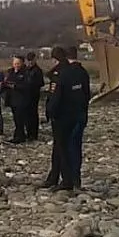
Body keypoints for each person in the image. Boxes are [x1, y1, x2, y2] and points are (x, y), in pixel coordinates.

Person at [45, 44, 89, 190]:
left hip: (63, 116)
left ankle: (66, 180)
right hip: (79, 115)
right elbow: (86, 95)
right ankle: (74, 179)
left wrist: (50, 112)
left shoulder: (63, 74)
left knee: (62, 148)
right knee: (75, 148)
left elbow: (56, 97)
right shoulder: (83, 72)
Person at [41, 55, 65, 188]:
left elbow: (55, 96)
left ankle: (56, 177)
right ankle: (67, 178)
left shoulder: (59, 74)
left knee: (59, 148)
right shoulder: (77, 72)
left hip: (60, 116)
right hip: (71, 115)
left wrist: (50, 111)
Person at [2, 54, 32, 143]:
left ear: (22, 63)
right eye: (15, 63)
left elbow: (27, 86)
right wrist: (4, 85)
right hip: (12, 98)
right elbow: (7, 82)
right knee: (16, 118)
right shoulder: (10, 72)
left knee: (20, 119)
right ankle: (18, 135)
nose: (16, 65)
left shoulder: (25, 73)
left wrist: (14, 86)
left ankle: (20, 136)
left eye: (18, 63)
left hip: (21, 99)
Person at [24, 52, 45, 141]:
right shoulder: (26, 69)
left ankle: (33, 134)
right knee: (26, 115)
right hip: (25, 95)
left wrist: (32, 84)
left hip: (34, 95)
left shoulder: (37, 70)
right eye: (28, 61)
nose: (30, 62)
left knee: (33, 115)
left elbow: (41, 83)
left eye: (31, 60)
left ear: (34, 60)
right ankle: (28, 132)